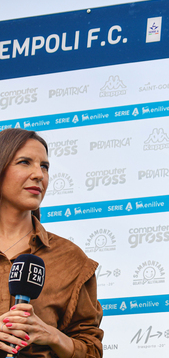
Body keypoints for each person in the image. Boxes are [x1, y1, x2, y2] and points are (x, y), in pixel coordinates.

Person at [0, 128, 103, 358]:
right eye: (24, 162)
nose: (39, 174)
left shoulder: (71, 259)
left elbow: (92, 351)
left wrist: (52, 335)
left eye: (44, 166)